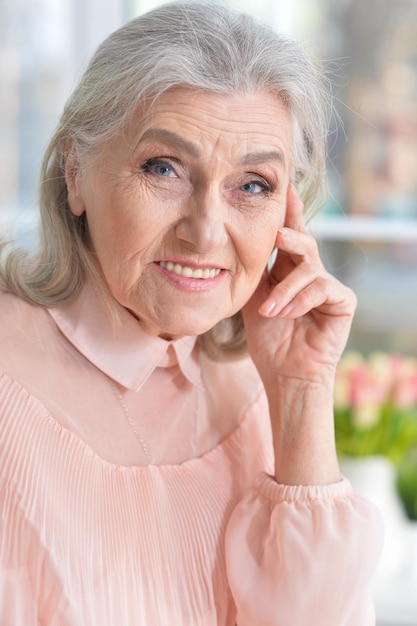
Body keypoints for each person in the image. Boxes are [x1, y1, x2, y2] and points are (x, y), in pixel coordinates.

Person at [0, 2, 383, 624]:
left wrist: (301, 393)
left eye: (252, 184)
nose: (206, 233)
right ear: (75, 172)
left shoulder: (260, 393)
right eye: (163, 168)